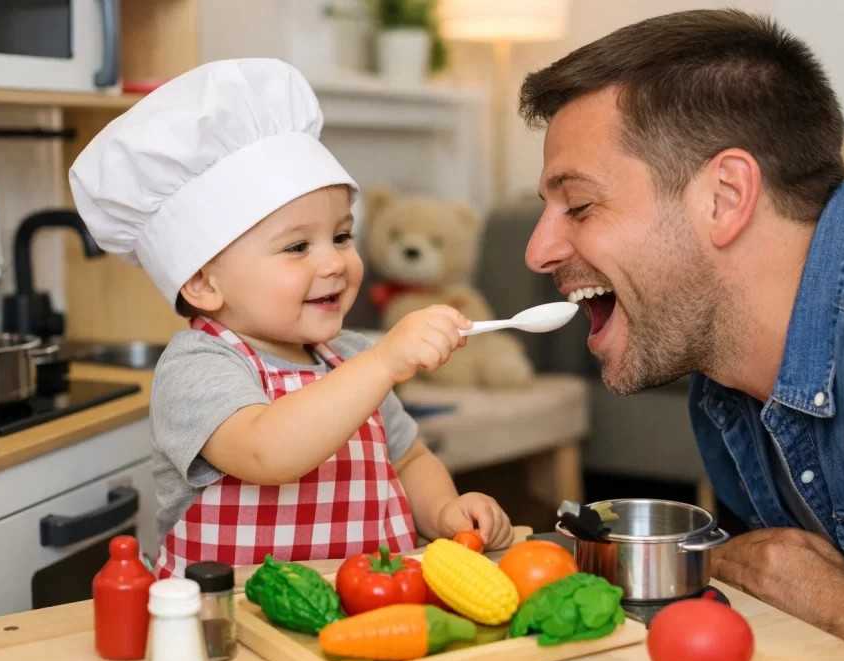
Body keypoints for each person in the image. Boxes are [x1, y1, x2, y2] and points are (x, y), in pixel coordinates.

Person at [518, 8, 844, 661]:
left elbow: (821, 604)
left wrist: (838, 604)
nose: (539, 250)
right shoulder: (723, 379)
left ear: (724, 196)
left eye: (580, 205)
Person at [68, 58, 513, 580]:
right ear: (203, 283)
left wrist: (443, 511)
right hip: (231, 629)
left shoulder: (348, 355)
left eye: (342, 236)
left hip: (371, 608)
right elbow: (267, 450)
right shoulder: (197, 368)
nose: (333, 262)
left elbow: (409, 459)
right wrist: (385, 362)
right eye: (298, 246)